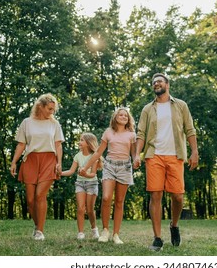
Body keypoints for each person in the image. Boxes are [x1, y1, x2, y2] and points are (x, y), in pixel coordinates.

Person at [133, 73, 199, 251]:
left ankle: (174, 225)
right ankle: (157, 238)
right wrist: (136, 154)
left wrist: (194, 152)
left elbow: (190, 129)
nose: (156, 84)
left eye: (160, 81)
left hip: (175, 155)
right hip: (154, 155)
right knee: (156, 195)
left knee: (177, 196)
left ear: (167, 85)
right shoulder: (148, 109)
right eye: (154, 82)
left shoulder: (181, 105)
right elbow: (140, 134)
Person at [10, 93, 64, 241]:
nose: (51, 112)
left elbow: (58, 144)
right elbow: (21, 144)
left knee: (40, 195)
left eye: (53, 109)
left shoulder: (54, 124)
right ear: (40, 106)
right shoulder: (27, 122)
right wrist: (14, 162)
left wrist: (59, 162)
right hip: (31, 160)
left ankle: (40, 231)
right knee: (30, 200)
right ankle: (37, 225)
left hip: (49, 159)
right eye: (49, 109)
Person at [79, 107, 136, 245]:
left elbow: (134, 153)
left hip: (124, 167)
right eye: (120, 115)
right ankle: (105, 230)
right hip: (109, 166)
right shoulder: (108, 132)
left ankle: (116, 234)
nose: (123, 117)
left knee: (119, 201)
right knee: (106, 198)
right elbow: (98, 153)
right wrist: (85, 167)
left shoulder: (131, 134)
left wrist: (137, 160)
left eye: (126, 116)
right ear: (115, 117)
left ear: (128, 119)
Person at [60, 132, 102, 240]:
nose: (80, 142)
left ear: (88, 143)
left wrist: (85, 174)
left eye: (82, 140)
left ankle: (94, 229)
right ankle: (81, 233)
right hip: (80, 184)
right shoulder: (77, 156)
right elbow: (70, 171)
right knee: (80, 208)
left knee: (90, 209)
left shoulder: (94, 156)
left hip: (92, 184)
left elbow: (93, 174)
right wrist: (59, 173)